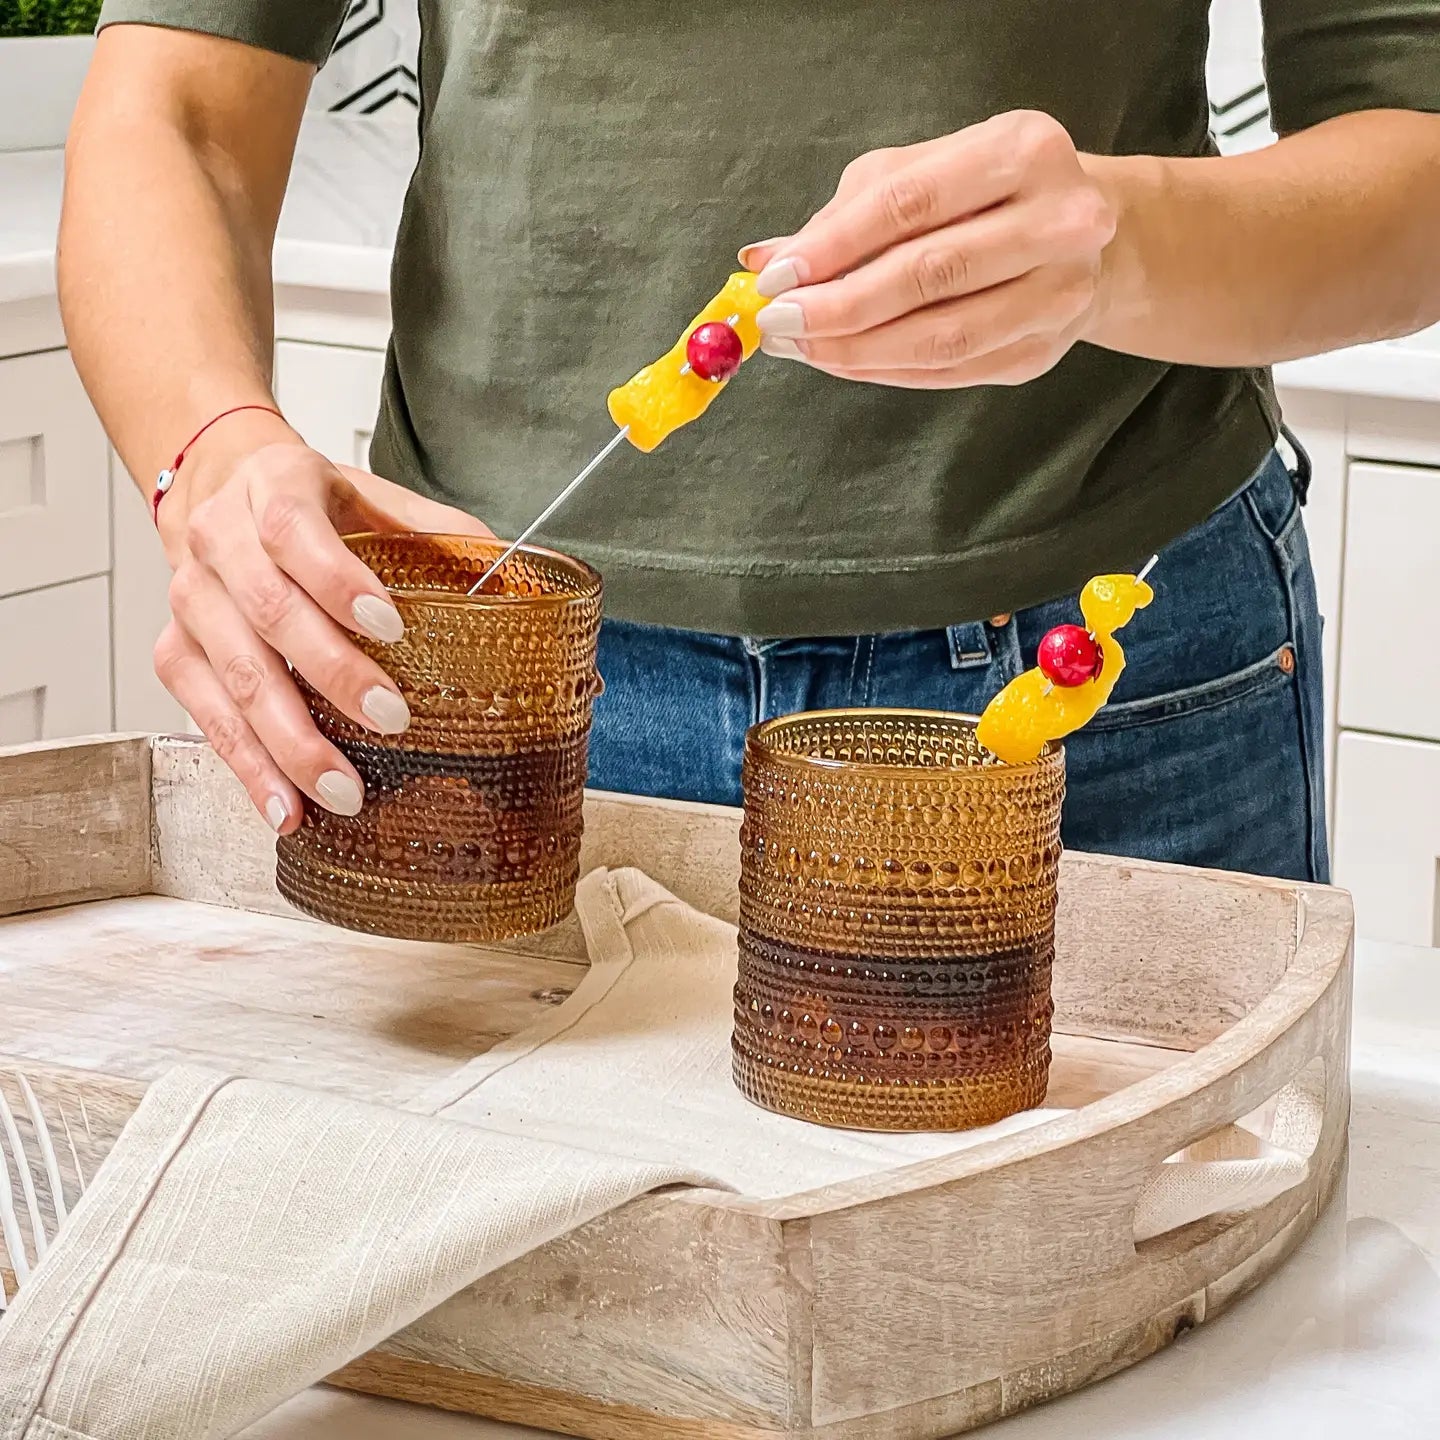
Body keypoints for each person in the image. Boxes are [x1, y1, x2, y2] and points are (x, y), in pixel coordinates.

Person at [60, 2, 1440, 884]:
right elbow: (173, 115)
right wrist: (216, 452)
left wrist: (1122, 246)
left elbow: (1417, 160)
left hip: (1104, 679)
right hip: (482, 660)